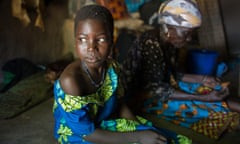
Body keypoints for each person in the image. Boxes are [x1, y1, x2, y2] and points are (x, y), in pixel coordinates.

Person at [52, 4, 192, 144]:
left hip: (104, 121)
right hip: (81, 134)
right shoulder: (71, 81)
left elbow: (119, 103)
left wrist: (138, 127)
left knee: (160, 137)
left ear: (112, 41)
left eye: (100, 39)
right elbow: (87, 133)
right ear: (75, 41)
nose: (91, 48)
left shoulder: (112, 68)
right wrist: (138, 136)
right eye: (82, 39)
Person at [121, 0, 240, 140]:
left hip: (162, 86)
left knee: (211, 88)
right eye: (186, 33)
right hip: (142, 97)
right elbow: (155, 90)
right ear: (169, 28)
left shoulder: (169, 41)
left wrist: (203, 79)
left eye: (191, 33)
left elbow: (171, 74)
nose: (189, 39)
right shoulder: (150, 43)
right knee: (199, 105)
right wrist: (202, 98)